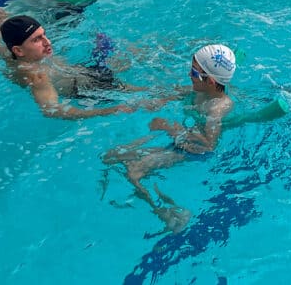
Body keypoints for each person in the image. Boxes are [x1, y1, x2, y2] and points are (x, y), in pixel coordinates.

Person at [102, 45, 238, 232]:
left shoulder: (217, 108)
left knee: (134, 172)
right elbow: (176, 92)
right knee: (112, 156)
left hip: (192, 153)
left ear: (211, 81)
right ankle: (160, 195)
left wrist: (170, 128)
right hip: (180, 143)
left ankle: (170, 213)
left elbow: (209, 145)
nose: (189, 75)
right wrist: (157, 100)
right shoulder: (201, 90)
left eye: (193, 72)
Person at [0, 11, 159, 120]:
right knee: (152, 94)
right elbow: (52, 110)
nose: (47, 42)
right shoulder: (36, 76)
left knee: (126, 59)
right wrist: (106, 111)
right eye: (36, 40)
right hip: (89, 88)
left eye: (44, 35)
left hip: (82, 72)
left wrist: (2, 21)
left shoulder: (8, 53)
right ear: (18, 51)